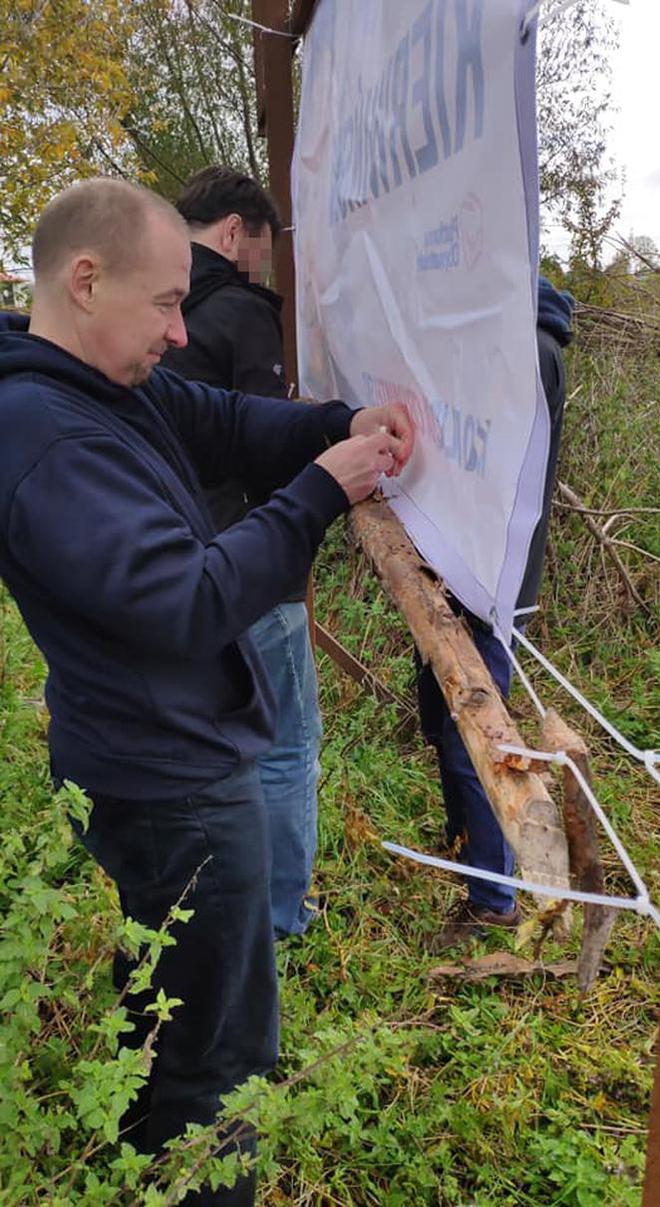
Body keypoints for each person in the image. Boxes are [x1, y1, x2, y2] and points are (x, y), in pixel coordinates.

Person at [0, 177, 414, 1205]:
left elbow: (224, 423)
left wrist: (335, 422)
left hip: (159, 752)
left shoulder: (101, 380)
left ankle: (141, 1145)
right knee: (222, 1054)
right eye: (167, 304)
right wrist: (324, 488)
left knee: (175, 1004)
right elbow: (187, 601)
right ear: (85, 281)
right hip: (170, 779)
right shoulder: (43, 433)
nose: (181, 334)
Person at [163, 165, 321, 939]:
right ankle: (283, 917)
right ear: (233, 233)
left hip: (180, 564)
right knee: (288, 747)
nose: (262, 265)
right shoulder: (242, 313)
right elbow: (262, 448)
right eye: (260, 249)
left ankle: (226, 904)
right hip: (252, 567)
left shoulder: (155, 314)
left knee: (225, 748)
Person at [417, 276, 574, 951]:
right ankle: (466, 844)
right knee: (440, 709)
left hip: (492, 581)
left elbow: (493, 465)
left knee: (477, 736)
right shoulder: (516, 345)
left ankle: (492, 897)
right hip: (467, 570)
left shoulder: (532, 350)